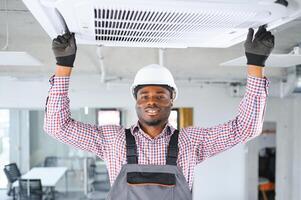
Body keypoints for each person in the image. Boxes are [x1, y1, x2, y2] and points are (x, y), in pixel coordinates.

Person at [44, 25, 274, 199]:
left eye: (160, 96)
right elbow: (57, 126)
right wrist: (63, 66)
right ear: (136, 101)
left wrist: (256, 64)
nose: (151, 102)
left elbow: (245, 128)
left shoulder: (190, 141)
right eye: (144, 96)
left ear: (171, 100)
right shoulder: (111, 140)